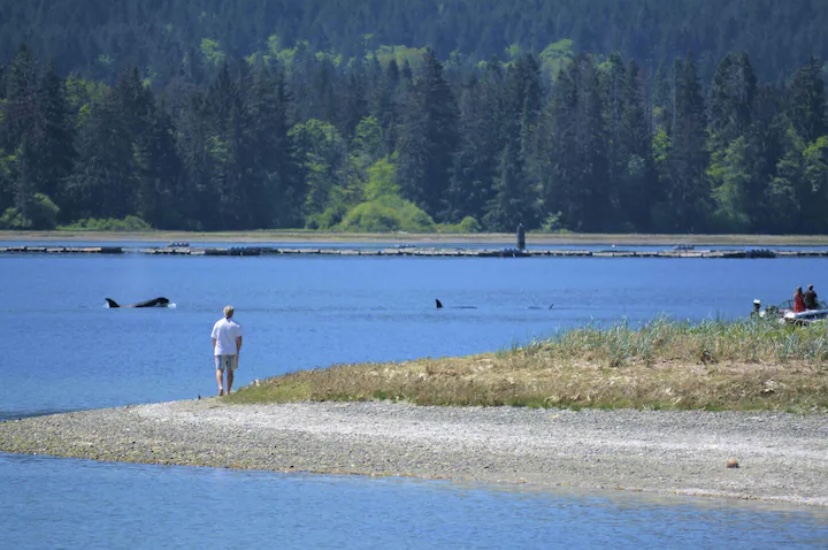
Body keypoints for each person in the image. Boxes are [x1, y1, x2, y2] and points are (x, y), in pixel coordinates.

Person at [211, 305, 243, 396]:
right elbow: (239, 339)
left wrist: (215, 348)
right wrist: (238, 350)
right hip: (232, 351)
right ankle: (228, 391)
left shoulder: (218, 324)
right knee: (230, 372)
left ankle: (220, 387)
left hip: (220, 351)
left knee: (219, 370)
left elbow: (214, 338)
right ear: (232, 313)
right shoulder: (236, 325)